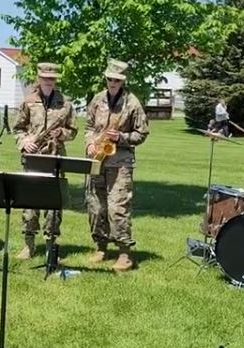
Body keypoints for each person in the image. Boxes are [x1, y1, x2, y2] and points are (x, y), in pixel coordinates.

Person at [84, 59, 149, 272]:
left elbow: (142, 133)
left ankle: (124, 253)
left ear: (123, 81)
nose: (112, 82)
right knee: (95, 205)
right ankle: (101, 247)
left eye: (117, 80)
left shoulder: (132, 103)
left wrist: (121, 136)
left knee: (117, 207)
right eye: (110, 79)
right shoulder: (97, 100)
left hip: (120, 163)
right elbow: (89, 126)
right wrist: (90, 143)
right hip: (97, 160)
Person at [12, 62, 77, 260]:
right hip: (33, 159)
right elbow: (17, 128)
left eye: (52, 78)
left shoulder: (65, 103)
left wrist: (62, 133)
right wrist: (25, 142)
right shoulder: (28, 101)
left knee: (53, 206)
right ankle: (28, 244)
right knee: (30, 204)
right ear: (39, 78)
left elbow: (73, 131)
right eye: (45, 77)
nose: (49, 81)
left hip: (55, 158)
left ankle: (51, 244)